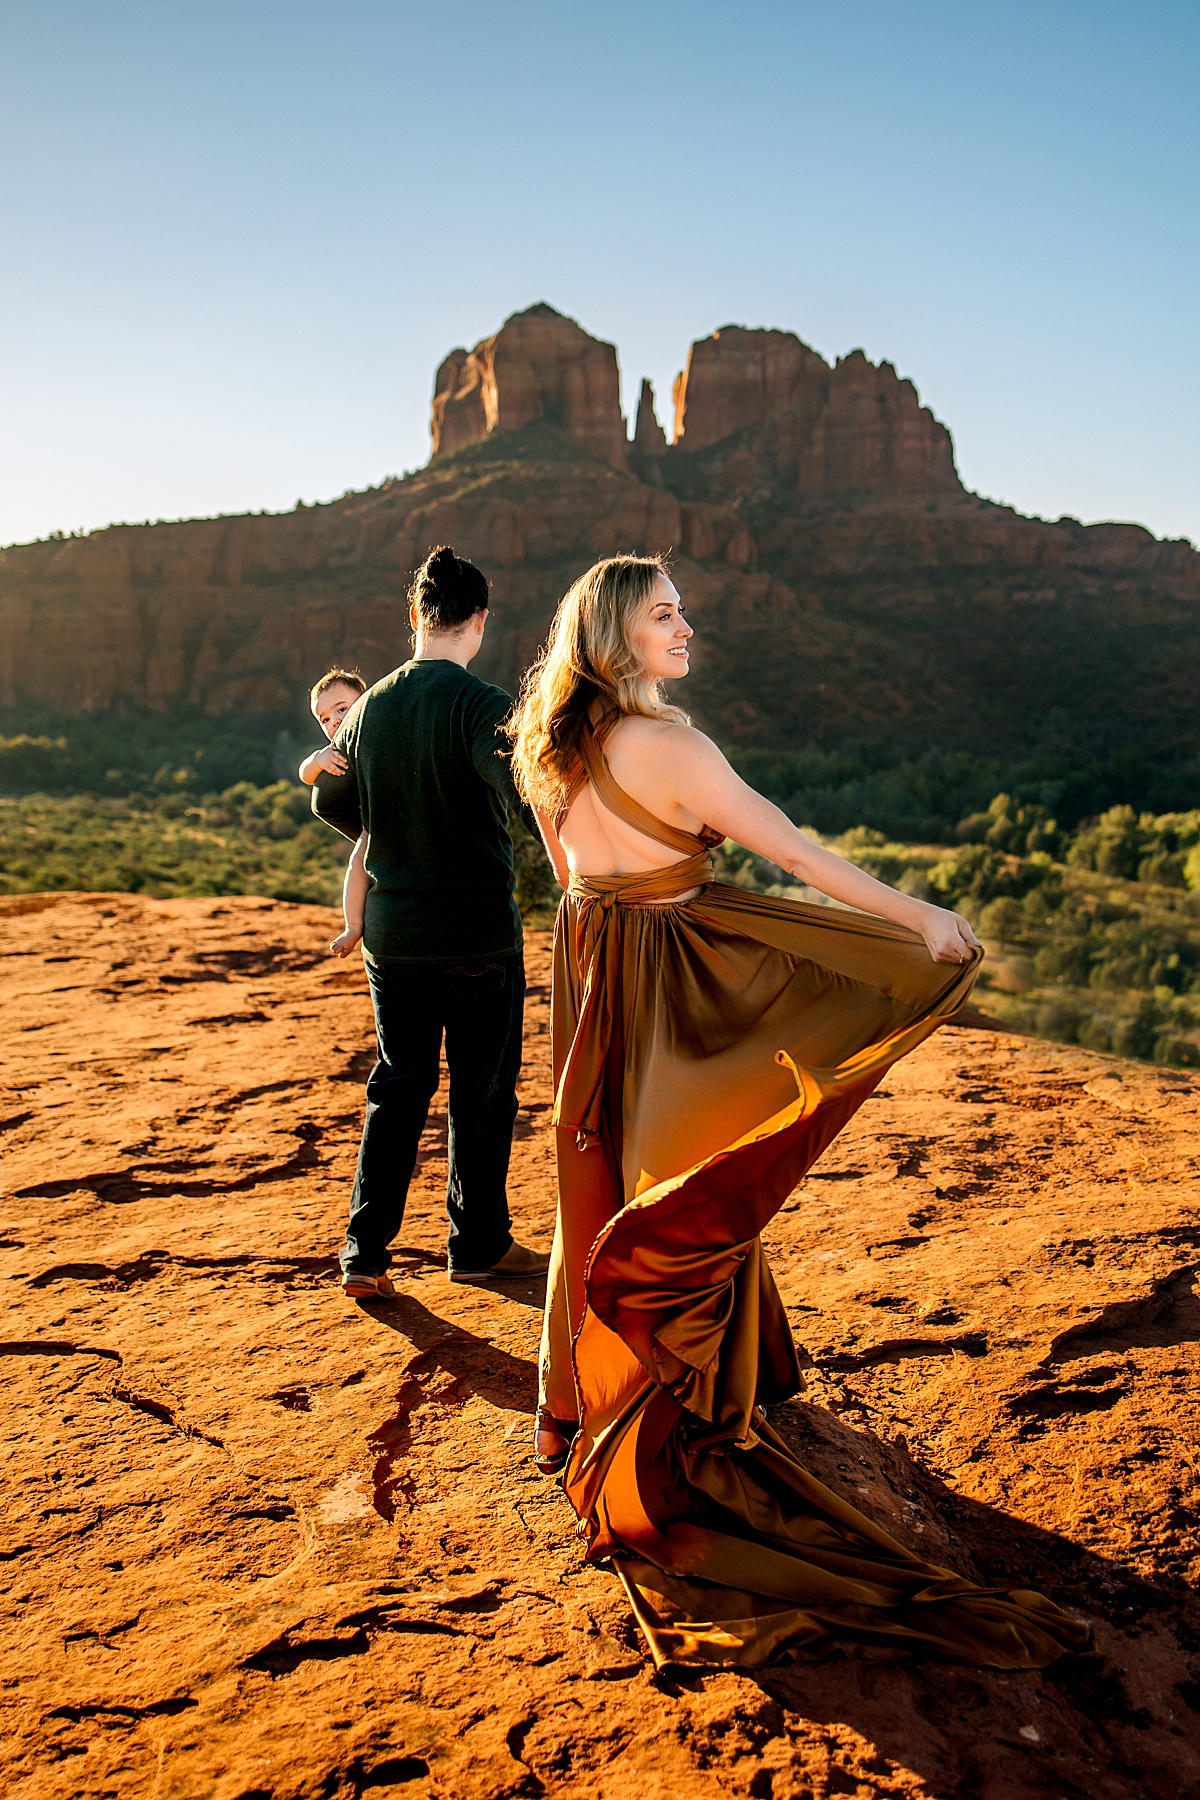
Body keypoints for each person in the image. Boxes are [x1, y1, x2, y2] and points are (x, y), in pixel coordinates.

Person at [507, 553, 1091, 1672]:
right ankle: (663, 1431)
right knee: (695, 1189)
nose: (688, 626)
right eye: (666, 615)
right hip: (673, 987)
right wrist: (915, 915)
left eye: (683, 611)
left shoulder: (551, 745)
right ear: (619, 635)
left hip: (589, 979)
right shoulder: (672, 746)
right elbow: (792, 854)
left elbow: (572, 875)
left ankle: (576, 1405)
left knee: (610, 1184)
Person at [313, 545, 550, 1301]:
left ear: (415, 616)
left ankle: (365, 1254)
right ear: (479, 621)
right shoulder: (482, 705)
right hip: (478, 936)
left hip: (393, 938)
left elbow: (339, 807)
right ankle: (476, 1246)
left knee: (397, 1088)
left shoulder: (370, 707)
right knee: (482, 1093)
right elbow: (522, 785)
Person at [299, 668, 369, 958]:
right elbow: (305, 774)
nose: (335, 721)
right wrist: (318, 759)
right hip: (373, 822)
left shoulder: (375, 733)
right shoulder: (334, 749)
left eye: (342, 709)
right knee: (358, 862)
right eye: (324, 719)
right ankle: (353, 926)